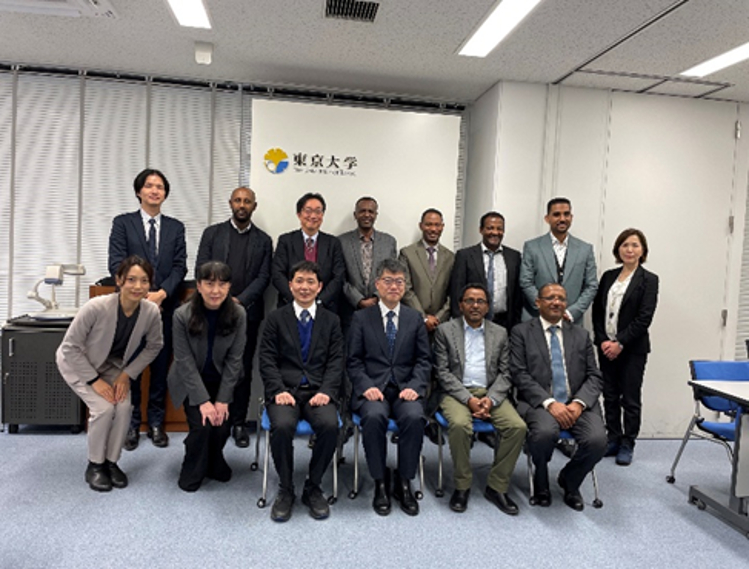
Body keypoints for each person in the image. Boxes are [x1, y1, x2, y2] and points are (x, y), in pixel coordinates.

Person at [56, 256, 163, 492]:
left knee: (124, 407)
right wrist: (94, 381)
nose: (137, 286)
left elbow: (155, 345)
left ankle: (111, 462)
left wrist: (127, 374)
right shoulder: (96, 307)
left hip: (112, 366)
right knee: (103, 409)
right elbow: (70, 347)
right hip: (78, 363)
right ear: (119, 280)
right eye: (131, 280)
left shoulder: (150, 311)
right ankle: (95, 465)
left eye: (144, 281)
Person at [108, 168, 187, 450]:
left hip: (164, 308)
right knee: (131, 367)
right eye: (149, 186)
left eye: (160, 187)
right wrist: (141, 295)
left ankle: (156, 423)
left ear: (165, 193)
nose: (155, 191)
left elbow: (180, 266)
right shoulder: (123, 223)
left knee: (160, 365)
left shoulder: (176, 227)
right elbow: (116, 263)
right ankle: (131, 424)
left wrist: (162, 293)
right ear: (139, 191)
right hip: (131, 309)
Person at [259, 261, 343, 522]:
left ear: (319, 287)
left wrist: (328, 391)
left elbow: (337, 360)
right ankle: (286, 488)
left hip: (319, 390)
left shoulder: (331, 320)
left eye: (310, 282)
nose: (304, 287)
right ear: (290, 285)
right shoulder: (275, 318)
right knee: (282, 426)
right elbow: (266, 359)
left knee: (330, 425)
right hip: (285, 390)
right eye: (299, 281)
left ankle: (313, 486)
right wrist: (278, 390)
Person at [510, 283, 606, 511]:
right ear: (538, 302)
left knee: (597, 441)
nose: (556, 302)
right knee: (543, 434)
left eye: (561, 298)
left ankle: (570, 481)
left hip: (578, 404)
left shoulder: (581, 335)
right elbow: (519, 374)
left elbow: (595, 376)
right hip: (540, 403)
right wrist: (550, 403)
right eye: (550, 297)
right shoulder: (521, 332)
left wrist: (579, 403)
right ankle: (541, 481)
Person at [347, 259, 431, 516]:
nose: (394, 286)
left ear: (405, 286)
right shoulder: (361, 317)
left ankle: (404, 481)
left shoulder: (415, 318)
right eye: (388, 281)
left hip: (406, 388)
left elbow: (424, 360)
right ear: (377, 285)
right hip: (373, 388)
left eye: (399, 281)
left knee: (415, 417)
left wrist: (416, 386)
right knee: (373, 416)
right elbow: (353, 361)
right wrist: (366, 387)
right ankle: (380, 480)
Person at [434, 283, 526, 515]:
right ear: (460, 305)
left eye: (480, 301)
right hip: (456, 392)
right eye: (470, 301)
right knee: (459, 425)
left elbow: (506, 373)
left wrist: (490, 400)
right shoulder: (445, 331)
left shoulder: (500, 333)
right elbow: (442, 373)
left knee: (517, 427)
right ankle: (462, 486)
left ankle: (497, 486)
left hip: (490, 392)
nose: (475, 306)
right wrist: (469, 400)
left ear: (487, 307)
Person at [195, 186, 272, 448]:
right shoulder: (212, 233)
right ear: (230, 203)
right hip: (212, 312)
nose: (242, 205)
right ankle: (215, 420)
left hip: (247, 315)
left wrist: (239, 302)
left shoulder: (264, 240)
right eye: (238, 200)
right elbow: (201, 270)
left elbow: (264, 277)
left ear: (254, 206)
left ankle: (238, 422)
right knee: (211, 366)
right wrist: (222, 299)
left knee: (242, 369)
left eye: (247, 201)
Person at [167, 261, 247, 492]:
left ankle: (213, 459)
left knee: (221, 426)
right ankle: (193, 465)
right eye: (209, 284)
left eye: (222, 284)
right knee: (202, 427)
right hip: (190, 380)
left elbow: (235, 359)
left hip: (223, 380)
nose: (215, 290)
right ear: (198, 286)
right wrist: (203, 401)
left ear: (229, 286)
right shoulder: (182, 315)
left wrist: (222, 400)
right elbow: (184, 361)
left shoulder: (239, 314)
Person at [592, 228, 659, 466]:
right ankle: (613, 438)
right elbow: (598, 312)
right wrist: (602, 341)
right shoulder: (609, 276)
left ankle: (628, 443)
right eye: (625, 245)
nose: (629, 250)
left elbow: (644, 318)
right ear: (618, 249)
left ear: (643, 250)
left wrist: (620, 342)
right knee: (609, 395)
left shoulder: (649, 280)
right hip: (606, 347)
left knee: (630, 398)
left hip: (632, 349)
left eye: (635, 245)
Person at [399, 208, 455, 445]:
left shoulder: (451, 257)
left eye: (437, 225)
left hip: (441, 324)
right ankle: (409, 418)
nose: (433, 229)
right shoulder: (407, 253)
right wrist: (423, 317)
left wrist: (439, 317)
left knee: (437, 370)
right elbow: (405, 288)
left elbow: (454, 292)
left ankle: (429, 418)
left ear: (442, 227)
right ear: (421, 226)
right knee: (412, 368)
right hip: (413, 322)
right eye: (429, 224)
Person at [519, 198, 597, 323]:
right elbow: (526, 282)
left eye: (566, 214)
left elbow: (591, 286)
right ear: (547, 218)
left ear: (571, 217)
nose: (562, 219)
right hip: (537, 318)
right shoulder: (532, 247)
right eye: (556, 214)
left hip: (571, 321)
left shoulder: (585, 249)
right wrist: (544, 307)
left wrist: (572, 312)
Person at [272, 192, 345, 314]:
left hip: (324, 308)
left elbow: (338, 276)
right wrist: (297, 300)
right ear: (299, 214)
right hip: (289, 306)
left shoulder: (333, 243)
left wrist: (319, 301)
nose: (313, 216)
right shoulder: (286, 241)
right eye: (308, 210)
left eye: (318, 211)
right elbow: (277, 274)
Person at [451, 211, 522, 331]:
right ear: (481, 230)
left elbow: (517, 296)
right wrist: (461, 324)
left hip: (505, 323)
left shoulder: (514, 257)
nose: (495, 232)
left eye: (499, 229)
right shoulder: (465, 256)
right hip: (472, 323)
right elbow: (456, 291)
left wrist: (515, 324)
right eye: (490, 228)